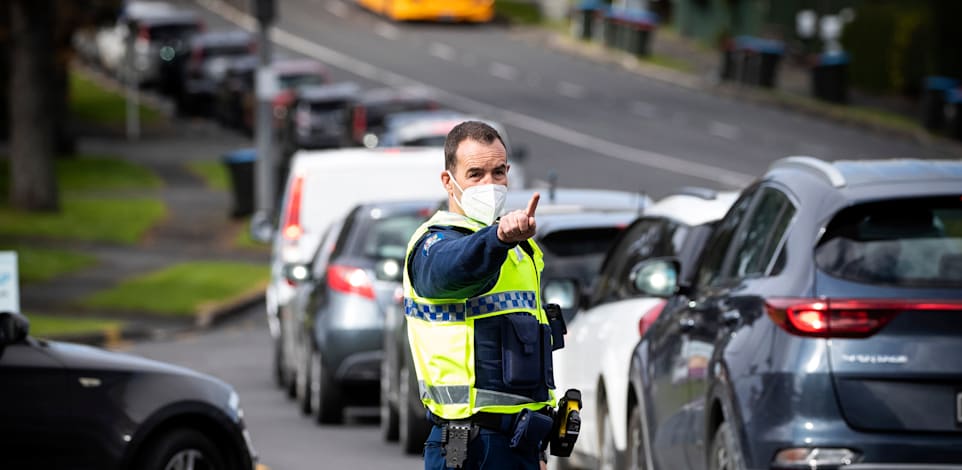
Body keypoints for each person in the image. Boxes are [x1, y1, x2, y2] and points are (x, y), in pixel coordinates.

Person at [403, 121, 558, 470]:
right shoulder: (433, 244)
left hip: (519, 443)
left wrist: (537, 451)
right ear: (449, 181)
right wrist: (498, 241)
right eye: (475, 174)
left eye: (498, 172)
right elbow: (456, 270)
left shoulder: (521, 249)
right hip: (469, 447)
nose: (489, 184)